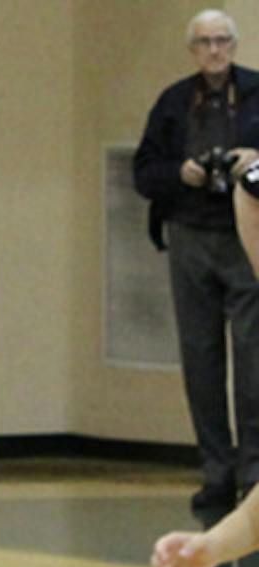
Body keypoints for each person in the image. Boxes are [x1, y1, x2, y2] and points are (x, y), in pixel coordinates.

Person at [133, 10, 259, 523]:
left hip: (245, 235)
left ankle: (254, 475)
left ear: (235, 44)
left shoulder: (256, 93)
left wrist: (254, 159)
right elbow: (144, 172)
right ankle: (216, 471)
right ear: (192, 49)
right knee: (200, 358)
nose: (214, 50)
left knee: (253, 359)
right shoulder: (172, 101)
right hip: (189, 234)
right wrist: (180, 173)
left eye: (222, 41)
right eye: (205, 42)